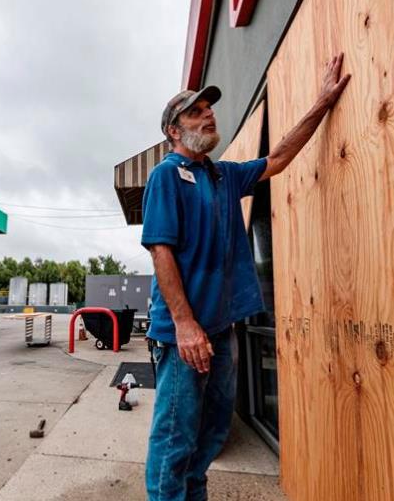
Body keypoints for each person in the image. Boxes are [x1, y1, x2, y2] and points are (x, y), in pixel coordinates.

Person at [143, 54, 351, 501]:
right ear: (174, 131)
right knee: (175, 438)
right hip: (183, 336)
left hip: (221, 331)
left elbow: (277, 157)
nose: (208, 113)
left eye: (209, 107)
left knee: (212, 432)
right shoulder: (166, 177)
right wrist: (184, 324)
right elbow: (161, 250)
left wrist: (322, 102)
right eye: (195, 111)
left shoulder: (223, 176)